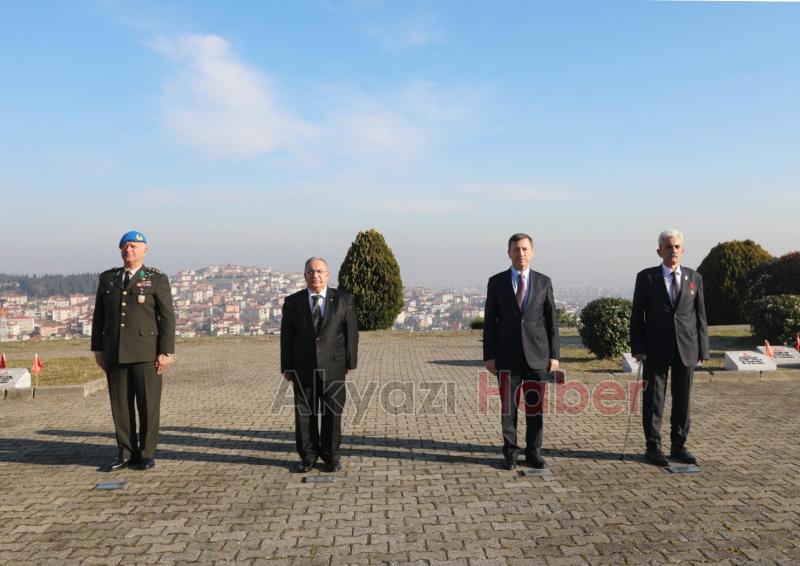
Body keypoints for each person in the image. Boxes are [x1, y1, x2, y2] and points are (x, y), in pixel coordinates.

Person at [91, 231, 175, 472]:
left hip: (146, 353)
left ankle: (146, 454)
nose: (129, 250)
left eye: (134, 246)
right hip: (114, 352)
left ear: (144, 250)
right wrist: (98, 348)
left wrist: (165, 351)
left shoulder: (156, 278)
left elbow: (167, 318)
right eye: (125, 246)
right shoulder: (108, 279)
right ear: (120, 250)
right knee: (120, 407)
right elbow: (99, 316)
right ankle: (126, 453)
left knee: (148, 406)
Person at [630, 229, 709, 466]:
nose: (672, 251)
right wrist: (638, 347)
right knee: (654, 401)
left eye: (676, 247)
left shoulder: (694, 278)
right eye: (668, 247)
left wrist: (703, 349)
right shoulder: (646, 278)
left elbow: (700, 316)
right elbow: (637, 316)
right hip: (655, 349)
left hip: (687, 348)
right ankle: (653, 448)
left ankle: (679, 445)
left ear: (682, 250)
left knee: (682, 400)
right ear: (659, 251)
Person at [483, 233, 560, 470]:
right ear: (509, 253)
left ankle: (534, 451)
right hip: (506, 356)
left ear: (532, 252)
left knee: (535, 407)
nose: (521, 254)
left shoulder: (543, 281)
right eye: (516, 249)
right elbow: (490, 322)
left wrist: (554, 355)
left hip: (538, 356)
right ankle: (510, 451)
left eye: (525, 249)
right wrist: (489, 356)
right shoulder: (496, 282)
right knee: (509, 408)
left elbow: (552, 321)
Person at [280, 257, 359, 473]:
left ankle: (331, 456)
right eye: (311, 272)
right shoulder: (293, 302)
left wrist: (350, 361)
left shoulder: (344, 300)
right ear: (305, 276)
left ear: (327, 275)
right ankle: (308, 456)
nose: (315, 275)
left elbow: (351, 334)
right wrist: (286, 366)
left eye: (319, 271)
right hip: (302, 367)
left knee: (333, 413)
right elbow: (287, 337)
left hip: (334, 367)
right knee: (305, 414)